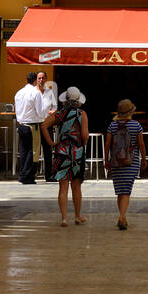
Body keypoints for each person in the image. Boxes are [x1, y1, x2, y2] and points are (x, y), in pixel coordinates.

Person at [45, 86, 89, 225]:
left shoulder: (60, 114)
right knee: (76, 186)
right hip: (77, 153)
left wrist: (52, 143)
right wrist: (83, 142)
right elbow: (84, 135)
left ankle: (64, 218)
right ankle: (77, 216)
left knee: (62, 187)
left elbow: (43, 125)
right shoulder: (82, 114)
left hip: (62, 152)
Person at [105, 98, 146, 229]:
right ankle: (122, 217)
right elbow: (141, 144)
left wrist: (106, 160)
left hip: (116, 162)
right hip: (131, 162)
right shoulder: (136, 125)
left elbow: (107, 144)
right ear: (131, 111)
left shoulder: (112, 125)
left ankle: (122, 216)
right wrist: (144, 158)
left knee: (120, 191)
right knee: (126, 191)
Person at [14, 71, 45, 184]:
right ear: (35, 80)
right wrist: (43, 117)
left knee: (23, 151)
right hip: (32, 126)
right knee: (32, 151)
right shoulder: (36, 93)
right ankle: (27, 176)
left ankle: (22, 173)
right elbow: (39, 111)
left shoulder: (19, 93)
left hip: (21, 124)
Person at [37, 73, 58, 181]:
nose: (41, 80)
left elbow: (54, 106)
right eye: (39, 78)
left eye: (43, 78)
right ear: (36, 80)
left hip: (46, 123)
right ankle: (32, 173)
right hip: (35, 124)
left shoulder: (50, 93)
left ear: (46, 79)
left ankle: (49, 175)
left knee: (47, 150)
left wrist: (52, 111)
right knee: (34, 150)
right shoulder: (33, 92)